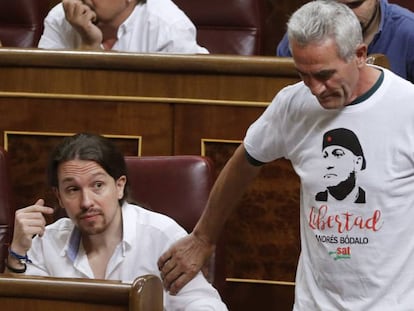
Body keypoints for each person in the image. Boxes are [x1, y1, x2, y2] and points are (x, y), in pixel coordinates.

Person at [158, 1, 414, 309]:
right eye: (303, 75)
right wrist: (202, 237)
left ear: (358, 55)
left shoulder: (406, 108)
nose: (315, 89)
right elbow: (245, 159)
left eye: (324, 74)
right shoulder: (293, 104)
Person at [5, 133, 227, 310]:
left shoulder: (162, 236)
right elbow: (20, 306)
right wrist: (16, 254)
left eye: (98, 185)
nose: (86, 202)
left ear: (119, 186)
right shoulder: (47, 242)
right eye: (73, 189)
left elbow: (205, 305)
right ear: (59, 197)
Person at [277, 0, 414, 83]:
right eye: (332, 4)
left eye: (353, 4)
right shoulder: (303, 36)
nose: (344, 14)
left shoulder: (409, 33)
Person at [38, 0, 208, 54]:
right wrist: (89, 45)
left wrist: (92, 48)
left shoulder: (169, 27)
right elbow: (43, 87)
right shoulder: (61, 16)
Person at [315, 128, 366, 203]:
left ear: (357, 162)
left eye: (338, 154)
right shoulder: (318, 198)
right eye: (325, 156)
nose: (328, 164)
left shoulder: (371, 199)